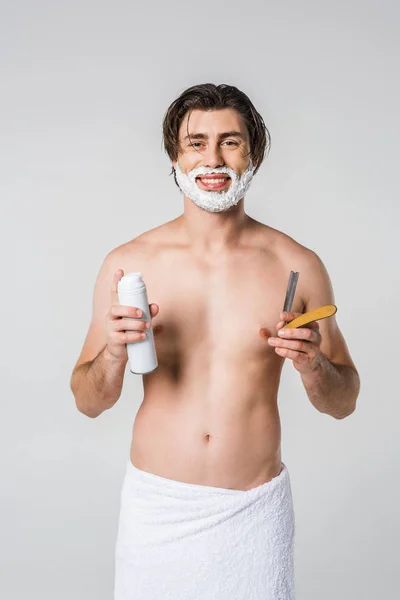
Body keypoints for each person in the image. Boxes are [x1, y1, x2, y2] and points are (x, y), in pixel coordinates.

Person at [70, 83, 360, 600]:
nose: (212, 157)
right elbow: (88, 401)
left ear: (254, 153)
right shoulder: (128, 264)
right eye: (196, 142)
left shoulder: (297, 266)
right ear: (175, 155)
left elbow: (345, 402)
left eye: (231, 141)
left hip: (253, 512)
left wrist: (314, 364)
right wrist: (114, 354)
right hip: (159, 510)